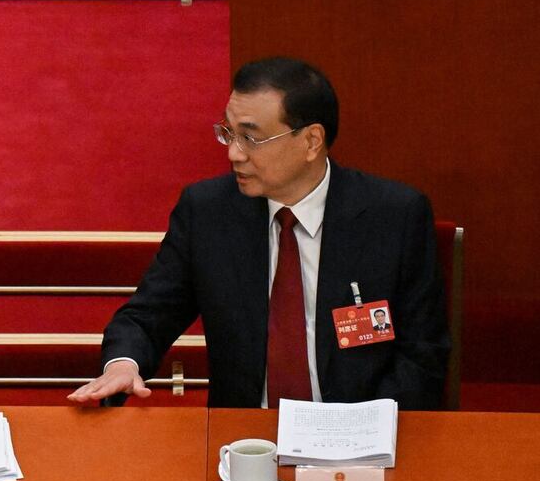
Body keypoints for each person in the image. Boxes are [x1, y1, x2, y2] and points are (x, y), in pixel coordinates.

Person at [69, 57, 449, 411]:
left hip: (362, 439)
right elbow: (146, 317)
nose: (234, 153)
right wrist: (123, 364)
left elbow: (424, 354)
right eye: (228, 133)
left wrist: (359, 431)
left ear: (311, 141)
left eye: (251, 138)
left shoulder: (394, 216)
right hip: (245, 443)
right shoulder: (208, 212)